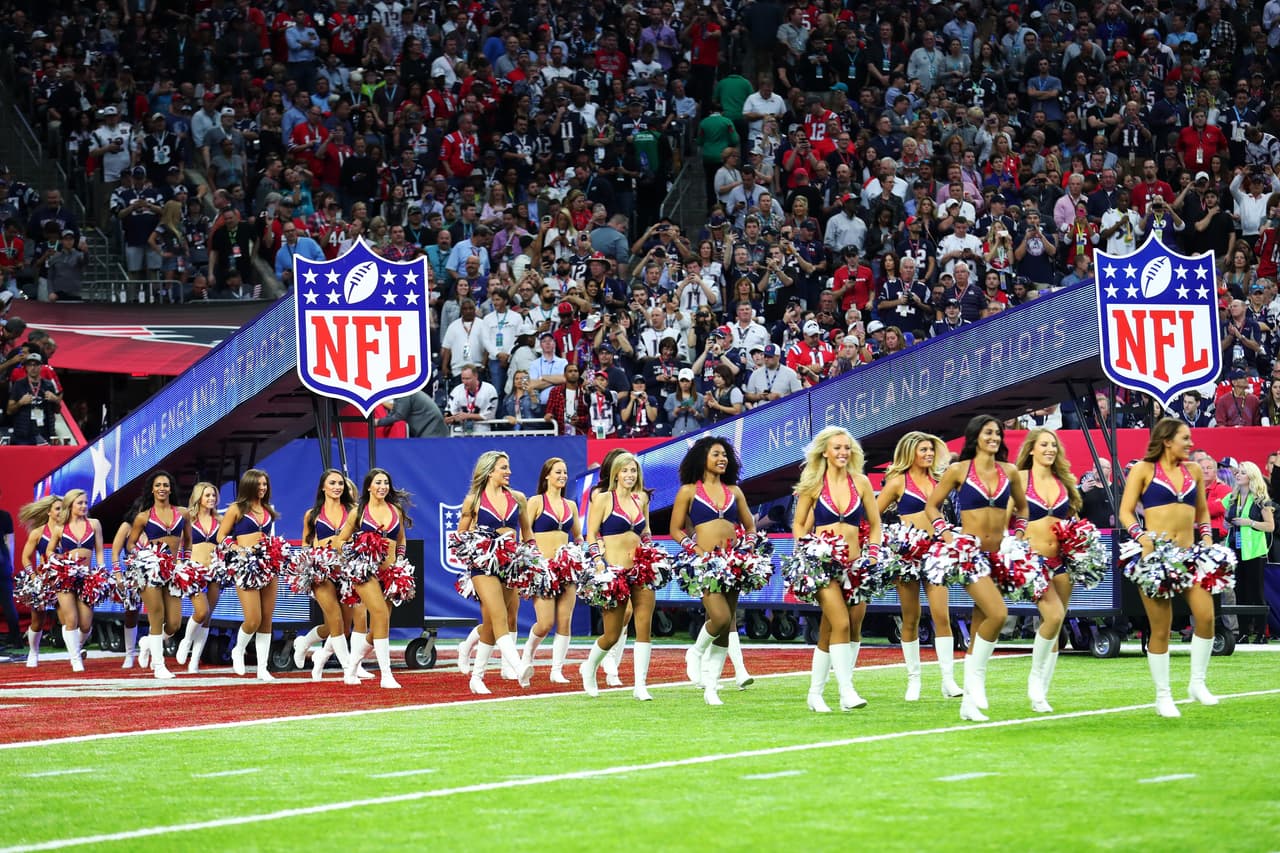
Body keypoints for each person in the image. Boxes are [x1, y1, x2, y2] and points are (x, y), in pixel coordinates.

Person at [924, 415, 1025, 722]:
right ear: (975, 436)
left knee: (983, 623)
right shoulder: (959, 469)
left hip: (999, 555)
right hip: (970, 555)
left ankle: (968, 702)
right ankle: (977, 684)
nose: (994, 437)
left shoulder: (1010, 471)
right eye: (988, 432)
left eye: (998, 432)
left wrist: (1017, 536)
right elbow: (932, 506)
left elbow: (1022, 509)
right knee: (999, 613)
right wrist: (947, 533)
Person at [1118, 419, 1219, 717]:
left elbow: (1202, 511)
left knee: (1206, 616)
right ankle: (1163, 695)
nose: (1190, 443)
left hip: (1190, 555)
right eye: (1185, 438)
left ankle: (1197, 683)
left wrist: (1208, 537)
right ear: (1166, 440)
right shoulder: (1144, 469)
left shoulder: (1194, 471)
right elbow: (1125, 510)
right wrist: (1140, 536)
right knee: (1161, 629)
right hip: (1156, 557)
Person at [788, 424, 884, 713]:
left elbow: (876, 523)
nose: (843, 452)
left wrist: (874, 552)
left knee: (845, 627)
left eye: (847, 447)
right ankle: (847, 691)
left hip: (855, 565)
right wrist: (810, 545)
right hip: (823, 565)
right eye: (837, 447)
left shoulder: (862, 483)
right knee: (840, 622)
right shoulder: (814, 483)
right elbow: (798, 524)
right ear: (825, 452)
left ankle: (815, 694)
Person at [670, 437, 759, 705]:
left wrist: (748, 546)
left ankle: (711, 687)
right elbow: (675, 529)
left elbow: (750, 526)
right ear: (703, 458)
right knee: (719, 618)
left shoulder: (735, 491)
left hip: (732, 564)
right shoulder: (688, 491)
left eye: (725, 455)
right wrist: (694, 549)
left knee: (725, 626)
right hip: (706, 563)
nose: (723, 459)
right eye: (716, 454)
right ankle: (695, 652)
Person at [876, 431, 963, 701]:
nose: (928, 454)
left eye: (930, 450)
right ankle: (914, 681)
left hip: (935, 554)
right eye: (923, 450)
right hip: (907, 555)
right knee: (911, 617)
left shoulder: (939, 481)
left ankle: (948, 680)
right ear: (910, 452)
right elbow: (872, 515)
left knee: (942, 616)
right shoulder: (897, 482)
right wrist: (889, 543)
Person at [453, 451, 535, 693]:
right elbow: (460, 536)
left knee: (493, 622)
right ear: (490, 471)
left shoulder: (518, 498)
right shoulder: (473, 500)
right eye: (503, 468)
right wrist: (482, 546)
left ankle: (476, 678)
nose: (508, 472)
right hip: (483, 566)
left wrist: (533, 560)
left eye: (508, 467)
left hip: (510, 564)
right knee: (498, 615)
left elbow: (527, 534)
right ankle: (519, 666)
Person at [580, 452, 659, 699]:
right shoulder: (603, 499)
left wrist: (652, 551)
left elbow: (645, 530)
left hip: (640, 569)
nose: (629, 475)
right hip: (613, 572)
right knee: (612, 634)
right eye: (625, 471)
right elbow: (591, 534)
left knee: (644, 626)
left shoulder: (641, 499)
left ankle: (640, 686)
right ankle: (590, 668)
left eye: (633, 471)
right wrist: (597, 561)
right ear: (616, 474)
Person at [1013, 429, 1079, 712]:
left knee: (1054, 624)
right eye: (1044, 445)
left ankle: (1042, 693)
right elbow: (1006, 515)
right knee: (1052, 616)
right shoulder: (1021, 479)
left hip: (1060, 559)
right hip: (1032, 559)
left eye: (1053, 445)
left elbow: (1071, 517)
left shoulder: (1063, 481)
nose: (1050, 449)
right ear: (1031, 450)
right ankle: (1035, 681)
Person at [333, 468, 408, 689]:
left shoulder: (395, 509)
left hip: (390, 572)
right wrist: (356, 551)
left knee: (378, 626)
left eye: (386, 482)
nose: (382, 486)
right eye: (378, 482)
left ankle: (352, 666)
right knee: (380, 613)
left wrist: (400, 561)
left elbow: (401, 539)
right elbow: (339, 541)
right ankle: (386, 674)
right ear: (369, 487)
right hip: (365, 571)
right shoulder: (359, 512)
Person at [216, 469, 282, 681]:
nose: (262, 488)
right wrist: (237, 549)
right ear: (249, 485)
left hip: (268, 564)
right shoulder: (236, 509)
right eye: (258, 484)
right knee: (253, 619)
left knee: (267, 620)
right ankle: (239, 649)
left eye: (265, 484)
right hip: (246, 565)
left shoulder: (268, 510)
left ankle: (262, 668)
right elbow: (221, 536)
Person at [522, 457, 584, 683]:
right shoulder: (536, 501)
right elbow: (525, 535)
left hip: (566, 568)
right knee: (546, 623)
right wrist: (535, 561)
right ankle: (528, 652)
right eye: (558, 472)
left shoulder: (571, 506)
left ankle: (556, 670)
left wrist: (580, 553)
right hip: (543, 569)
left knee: (565, 620)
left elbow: (577, 536)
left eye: (565, 472)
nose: (562, 476)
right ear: (547, 475)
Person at [291, 470, 358, 679]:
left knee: (341, 626)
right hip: (320, 569)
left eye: (340, 483)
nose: (337, 487)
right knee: (335, 617)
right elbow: (305, 542)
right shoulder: (312, 514)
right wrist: (306, 563)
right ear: (323, 487)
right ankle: (349, 669)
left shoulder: (354, 510)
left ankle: (305, 643)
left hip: (346, 569)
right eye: (332, 483)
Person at [124, 472, 188, 680]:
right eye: (158, 485)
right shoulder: (143, 516)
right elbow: (130, 544)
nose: (162, 488)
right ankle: (159, 666)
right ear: (152, 489)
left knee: (174, 623)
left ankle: (147, 643)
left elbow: (188, 541)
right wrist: (144, 557)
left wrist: (184, 562)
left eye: (166, 485)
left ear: (171, 489)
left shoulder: (183, 513)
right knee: (157, 615)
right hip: (151, 569)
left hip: (173, 570)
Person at [44, 489, 104, 673]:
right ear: (71, 505)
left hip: (87, 577)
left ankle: (75, 648)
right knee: (71, 620)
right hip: (65, 576)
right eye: (80, 503)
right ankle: (76, 659)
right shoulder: (60, 528)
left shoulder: (94, 524)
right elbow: (48, 551)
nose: (84, 506)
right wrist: (60, 561)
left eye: (86, 503)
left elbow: (99, 551)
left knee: (85, 624)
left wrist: (101, 570)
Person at [1223, 462, 1274, 643]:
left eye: (1243, 473)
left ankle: (1261, 633)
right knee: (1240, 592)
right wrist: (1228, 524)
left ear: (1251, 476)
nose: (1238, 475)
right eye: (1238, 472)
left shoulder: (1261, 500)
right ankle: (1243, 632)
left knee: (1256, 593)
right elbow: (1225, 520)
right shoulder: (1231, 497)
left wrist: (1249, 523)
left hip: (1254, 551)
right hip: (1235, 550)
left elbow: (1270, 526)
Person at [175, 482, 220, 674]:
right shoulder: (188, 520)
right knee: (201, 612)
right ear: (198, 497)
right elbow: (180, 544)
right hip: (194, 571)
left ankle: (194, 661)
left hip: (215, 572)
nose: (211, 499)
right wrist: (180, 566)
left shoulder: (220, 520)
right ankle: (185, 641)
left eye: (213, 495)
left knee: (208, 618)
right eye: (207, 495)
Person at [15, 496, 61, 668]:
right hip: (43, 579)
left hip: (63, 579)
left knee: (69, 617)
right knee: (38, 620)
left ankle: (75, 650)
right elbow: (26, 557)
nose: (61, 512)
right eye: (57, 508)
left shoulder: (69, 529)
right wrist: (33, 577)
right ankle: (33, 652)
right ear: (48, 512)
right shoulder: (38, 533)